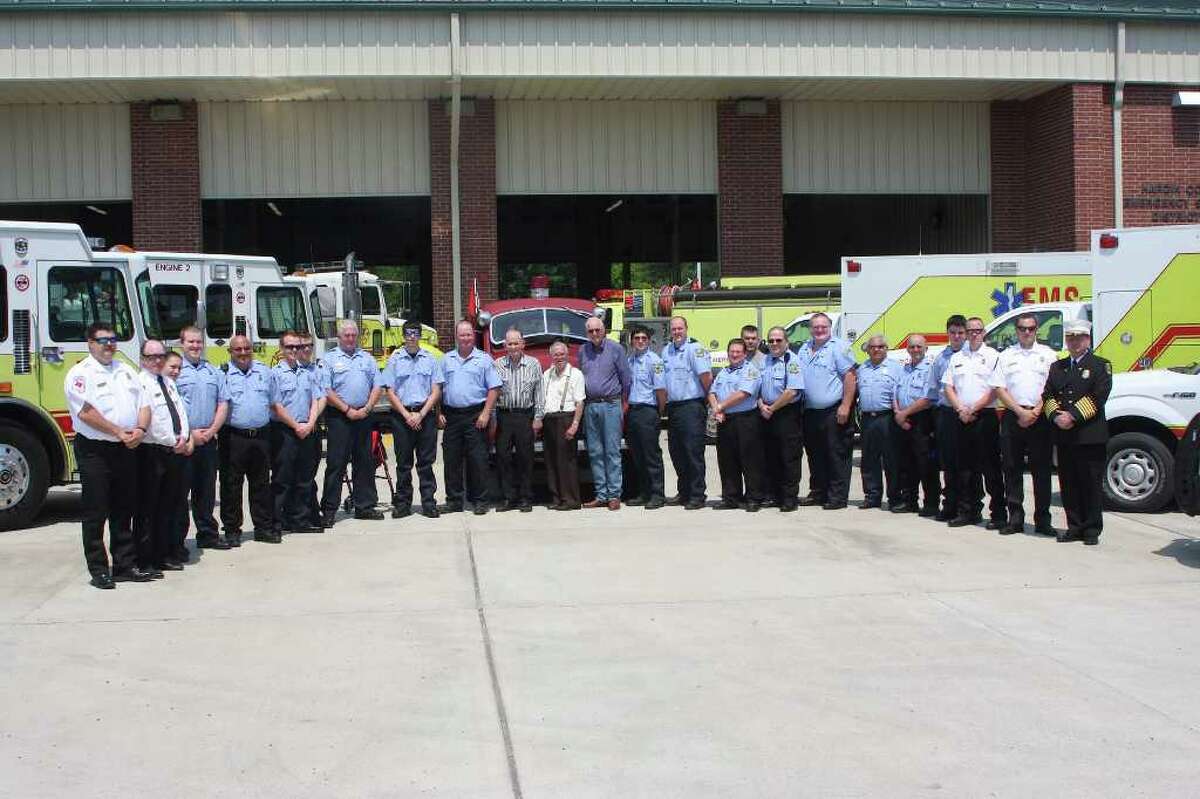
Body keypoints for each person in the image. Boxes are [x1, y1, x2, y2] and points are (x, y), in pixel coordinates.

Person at [65, 324, 152, 588]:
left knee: (124, 508)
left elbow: (144, 405)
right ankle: (99, 569)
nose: (109, 345)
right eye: (102, 340)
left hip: (126, 448)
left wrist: (139, 429)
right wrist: (118, 431)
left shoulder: (125, 370)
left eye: (112, 340)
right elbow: (85, 412)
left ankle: (124, 565)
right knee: (96, 510)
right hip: (95, 451)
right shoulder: (80, 373)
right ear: (90, 343)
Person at [1043, 320, 1112, 545]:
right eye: (1070, 338)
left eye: (1079, 337)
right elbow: (1048, 395)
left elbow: (1098, 396)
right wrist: (1056, 417)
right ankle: (1074, 527)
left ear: (1088, 340)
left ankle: (1091, 529)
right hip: (1065, 436)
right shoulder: (1058, 366)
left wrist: (1071, 415)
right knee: (1069, 483)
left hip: (1089, 435)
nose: (1074, 342)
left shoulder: (1100, 365)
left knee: (1090, 484)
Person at [994, 313, 1058, 535]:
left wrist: (1037, 410)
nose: (1027, 332)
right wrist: (1020, 411)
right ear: (1016, 330)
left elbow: (1053, 388)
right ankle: (1015, 519)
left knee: (1042, 471)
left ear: (1037, 329)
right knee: (1012, 469)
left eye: (1031, 328)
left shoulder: (1049, 355)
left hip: (1040, 418)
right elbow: (999, 388)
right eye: (1022, 328)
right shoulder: (1006, 356)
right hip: (1013, 416)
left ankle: (1043, 521)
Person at [942, 316, 1006, 529]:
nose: (973, 334)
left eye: (977, 330)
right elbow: (948, 387)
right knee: (965, 469)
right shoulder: (957, 357)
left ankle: (998, 515)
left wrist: (973, 408)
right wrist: (961, 409)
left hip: (984, 417)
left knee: (991, 468)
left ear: (984, 332)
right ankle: (968, 511)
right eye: (970, 331)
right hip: (961, 417)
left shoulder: (993, 356)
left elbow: (995, 389)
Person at [134, 340, 191, 577]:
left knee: (169, 506)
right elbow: (151, 421)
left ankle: (164, 554)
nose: (157, 360)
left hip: (173, 451)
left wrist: (184, 436)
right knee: (148, 509)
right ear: (142, 358)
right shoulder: (140, 383)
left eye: (160, 356)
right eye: (152, 356)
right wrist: (172, 440)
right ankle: (145, 559)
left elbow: (180, 413)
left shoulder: (167, 382)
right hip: (152, 452)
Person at [320, 321, 384, 524]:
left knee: (364, 462)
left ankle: (364, 506)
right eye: (346, 335)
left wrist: (366, 409)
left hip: (364, 417)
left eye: (353, 335)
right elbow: (326, 390)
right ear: (339, 337)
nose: (350, 338)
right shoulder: (329, 359)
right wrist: (347, 410)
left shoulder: (367, 359)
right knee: (336, 464)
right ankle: (329, 511)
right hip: (340, 417)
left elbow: (377, 386)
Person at [174, 325, 230, 551]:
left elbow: (223, 403)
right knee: (179, 494)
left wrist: (211, 430)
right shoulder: (175, 371)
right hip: (184, 441)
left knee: (206, 491)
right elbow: (170, 408)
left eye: (198, 342)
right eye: (191, 342)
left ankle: (208, 534)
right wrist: (189, 434)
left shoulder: (213, 371)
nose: (195, 346)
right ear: (182, 343)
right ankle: (177, 541)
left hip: (207, 439)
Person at [382, 320, 443, 519]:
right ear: (403, 335)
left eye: (415, 333)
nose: (411, 337)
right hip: (402, 417)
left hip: (425, 416)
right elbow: (389, 391)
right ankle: (403, 505)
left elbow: (436, 390)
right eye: (408, 333)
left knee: (426, 463)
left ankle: (428, 503)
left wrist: (422, 414)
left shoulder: (430, 359)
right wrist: (407, 415)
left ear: (420, 335)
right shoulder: (395, 358)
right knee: (403, 464)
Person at [440, 320, 501, 515]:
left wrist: (486, 413)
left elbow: (494, 388)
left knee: (478, 460)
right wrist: (438, 412)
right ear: (456, 336)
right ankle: (454, 500)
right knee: (451, 461)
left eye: (468, 334)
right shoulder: (446, 359)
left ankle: (480, 500)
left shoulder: (484, 360)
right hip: (451, 416)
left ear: (473, 336)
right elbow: (437, 388)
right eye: (462, 335)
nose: (466, 338)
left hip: (476, 415)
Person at [219, 335, 276, 546]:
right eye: (238, 350)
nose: (243, 353)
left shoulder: (264, 372)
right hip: (234, 436)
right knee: (231, 485)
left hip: (261, 435)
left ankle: (262, 527)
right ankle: (232, 530)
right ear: (230, 352)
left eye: (246, 348)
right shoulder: (222, 374)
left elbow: (273, 402)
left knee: (261, 483)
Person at [797, 312, 857, 510]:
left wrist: (846, 406)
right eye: (816, 327)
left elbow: (850, 377)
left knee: (836, 454)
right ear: (810, 328)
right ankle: (819, 492)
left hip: (834, 410)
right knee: (815, 455)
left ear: (830, 327)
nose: (819, 330)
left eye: (823, 326)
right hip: (811, 412)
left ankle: (837, 497)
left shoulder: (839, 347)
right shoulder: (805, 349)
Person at [269, 330, 324, 536]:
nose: (294, 350)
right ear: (281, 349)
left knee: (305, 477)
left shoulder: (307, 372)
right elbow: (276, 406)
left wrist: (310, 423)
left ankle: (300, 519)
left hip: (306, 429)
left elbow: (315, 400)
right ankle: (276, 522)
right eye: (289, 347)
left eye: (297, 347)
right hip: (285, 431)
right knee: (282, 478)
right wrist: (296, 426)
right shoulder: (275, 374)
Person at [579, 315, 631, 510]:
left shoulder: (616, 349)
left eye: (597, 330)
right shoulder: (583, 351)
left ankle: (614, 495)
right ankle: (601, 494)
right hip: (591, 406)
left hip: (611, 405)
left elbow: (626, 379)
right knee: (595, 452)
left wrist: (623, 405)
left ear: (604, 330)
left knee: (612, 451)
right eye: (590, 331)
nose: (594, 334)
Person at [662, 316, 713, 510]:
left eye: (680, 328)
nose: (677, 332)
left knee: (693, 452)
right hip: (674, 408)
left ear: (686, 329)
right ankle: (684, 492)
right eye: (673, 329)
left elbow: (706, 377)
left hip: (692, 406)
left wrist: (707, 400)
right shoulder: (667, 351)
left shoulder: (695, 349)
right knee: (677, 452)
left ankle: (697, 495)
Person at [708, 339, 765, 511]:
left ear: (744, 353)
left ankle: (754, 498)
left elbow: (743, 393)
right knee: (727, 461)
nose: (734, 354)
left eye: (738, 352)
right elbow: (711, 392)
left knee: (750, 461)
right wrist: (716, 410)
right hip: (725, 420)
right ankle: (731, 498)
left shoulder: (750, 370)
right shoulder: (724, 372)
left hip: (746, 419)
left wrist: (721, 406)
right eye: (731, 351)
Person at [493, 328, 543, 513]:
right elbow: (493, 392)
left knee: (525, 458)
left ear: (523, 344)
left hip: (525, 415)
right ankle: (508, 497)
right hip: (504, 415)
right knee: (503, 457)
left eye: (516, 343)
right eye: (509, 343)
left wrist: (538, 417)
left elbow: (539, 392)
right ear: (505, 345)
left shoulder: (533, 364)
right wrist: (492, 419)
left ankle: (525, 497)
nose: (513, 347)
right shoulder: (497, 364)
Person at [891, 335, 939, 516]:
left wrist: (904, 414)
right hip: (902, 420)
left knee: (926, 464)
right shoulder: (904, 369)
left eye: (919, 347)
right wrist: (898, 413)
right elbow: (895, 392)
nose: (915, 350)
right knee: (906, 463)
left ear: (926, 349)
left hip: (922, 420)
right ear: (907, 349)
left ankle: (931, 503)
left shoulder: (930, 369)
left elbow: (928, 398)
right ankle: (909, 501)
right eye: (912, 347)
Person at [758, 325, 804, 512]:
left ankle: (789, 498)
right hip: (766, 412)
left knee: (789, 457)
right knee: (770, 456)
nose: (774, 344)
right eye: (771, 340)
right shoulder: (765, 361)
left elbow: (792, 391)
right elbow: (757, 387)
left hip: (786, 413)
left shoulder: (792, 361)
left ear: (787, 342)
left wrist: (772, 408)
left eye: (778, 340)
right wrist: (762, 405)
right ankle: (773, 495)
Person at [927, 315, 968, 522]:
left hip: (968, 415)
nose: (957, 336)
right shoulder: (941, 357)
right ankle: (949, 505)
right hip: (946, 414)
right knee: (948, 463)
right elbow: (933, 389)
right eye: (953, 332)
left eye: (961, 332)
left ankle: (967, 507)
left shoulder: (973, 356)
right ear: (948, 333)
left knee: (967, 464)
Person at [856, 335, 902, 510]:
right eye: (873, 347)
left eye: (881, 346)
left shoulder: (896, 368)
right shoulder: (862, 369)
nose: (876, 349)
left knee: (891, 459)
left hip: (888, 417)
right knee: (869, 459)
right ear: (867, 349)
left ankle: (895, 497)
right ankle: (872, 496)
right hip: (868, 418)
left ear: (886, 348)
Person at [539, 341, 586, 511]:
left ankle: (571, 500)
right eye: (556, 354)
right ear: (551, 356)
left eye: (562, 354)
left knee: (566, 461)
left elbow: (579, 402)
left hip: (566, 418)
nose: (559, 357)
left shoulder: (576, 374)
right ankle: (556, 498)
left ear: (567, 355)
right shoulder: (547, 374)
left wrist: (574, 425)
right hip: (549, 420)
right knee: (551, 461)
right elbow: (542, 400)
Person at [625, 325, 667, 510]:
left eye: (643, 338)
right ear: (632, 341)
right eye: (637, 338)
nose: (640, 341)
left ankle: (657, 494)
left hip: (648, 411)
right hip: (633, 411)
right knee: (638, 455)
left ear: (649, 341)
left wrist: (658, 412)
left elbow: (661, 391)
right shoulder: (630, 360)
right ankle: (644, 493)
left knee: (651, 455)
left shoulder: (654, 361)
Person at [297, 332, 328, 530]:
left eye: (309, 345)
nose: (306, 349)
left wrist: (311, 421)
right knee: (294, 476)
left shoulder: (318, 369)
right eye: (301, 346)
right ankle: (298, 516)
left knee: (309, 474)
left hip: (312, 428)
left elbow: (322, 397)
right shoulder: (289, 370)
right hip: (294, 429)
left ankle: (311, 512)